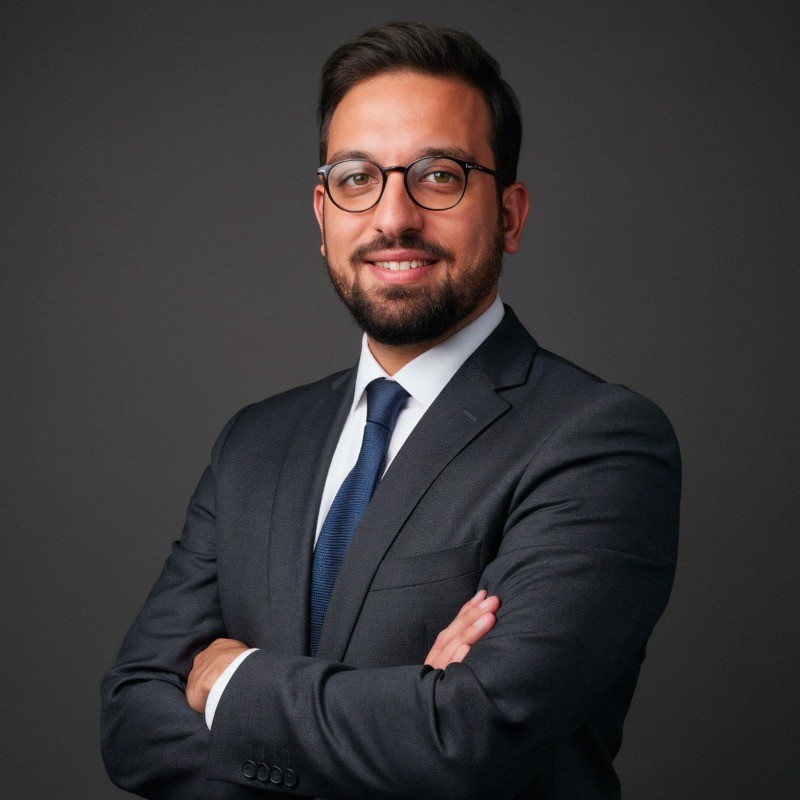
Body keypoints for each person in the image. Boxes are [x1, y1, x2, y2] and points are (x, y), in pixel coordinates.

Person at [101, 21, 680, 800]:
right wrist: (404, 718)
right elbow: (132, 723)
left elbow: (467, 739)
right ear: (323, 214)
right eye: (356, 177)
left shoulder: (598, 441)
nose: (393, 216)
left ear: (510, 215)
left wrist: (233, 682)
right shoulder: (255, 444)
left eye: (439, 175)